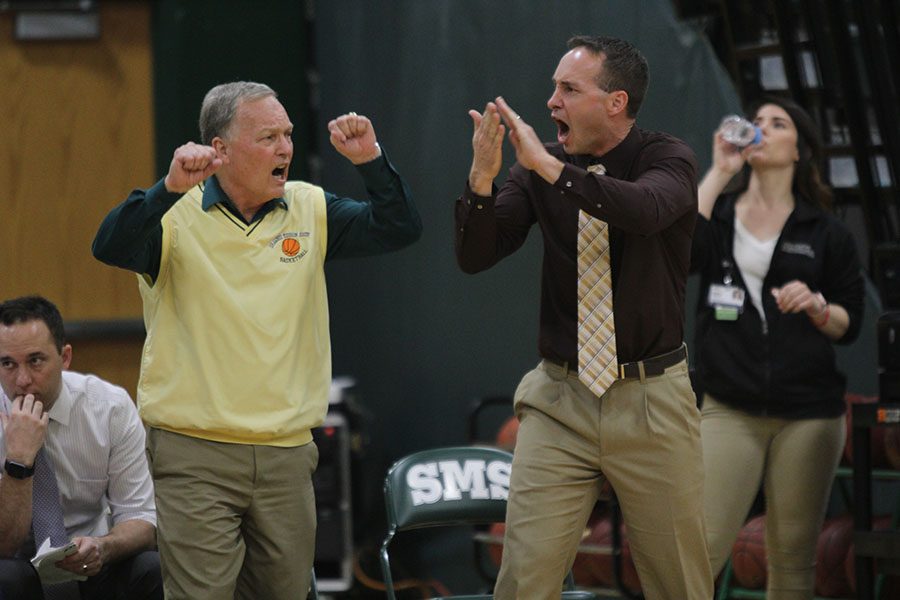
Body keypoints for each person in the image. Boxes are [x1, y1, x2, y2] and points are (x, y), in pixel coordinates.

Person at [91, 81, 421, 599]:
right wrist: (166, 189)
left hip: (287, 454)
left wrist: (370, 161)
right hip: (195, 453)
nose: (285, 148)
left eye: (288, 134)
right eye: (269, 137)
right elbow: (108, 245)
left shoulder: (310, 207)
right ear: (219, 149)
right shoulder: (172, 217)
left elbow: (399, 227)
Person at [456, 36, 712, 599]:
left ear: (616, 102)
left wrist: (551, 169)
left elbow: (643, 211)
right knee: (523, 577)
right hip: (561, 398)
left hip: (651, 400)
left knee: (679, 584)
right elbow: (477, 254)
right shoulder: (538, 169)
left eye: (568, 89)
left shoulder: (668, 158)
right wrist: (481, 179)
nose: (551, 102)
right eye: (553, 88)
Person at [691, 96, 864, 597]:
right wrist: (720, 170)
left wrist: (817, 306)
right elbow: (679, 252)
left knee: (791, 562)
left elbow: (849, 322)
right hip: (729, 407)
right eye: (756, 121)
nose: (762, 129)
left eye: (778, 123)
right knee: (697, 552)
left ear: (800, 150)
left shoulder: (825, 231)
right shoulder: (720, 215)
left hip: (809, 414)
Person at [0, 295, 161, 600]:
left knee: (151, 567)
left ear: (65, 357)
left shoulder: (109, 407)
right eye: (7, 363)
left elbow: (142, 518)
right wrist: (18, 462)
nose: (22, 380)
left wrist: (104, 546)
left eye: (35, 361)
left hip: (94, 561)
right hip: (17, 568)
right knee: (5, 577)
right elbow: (3, 545)